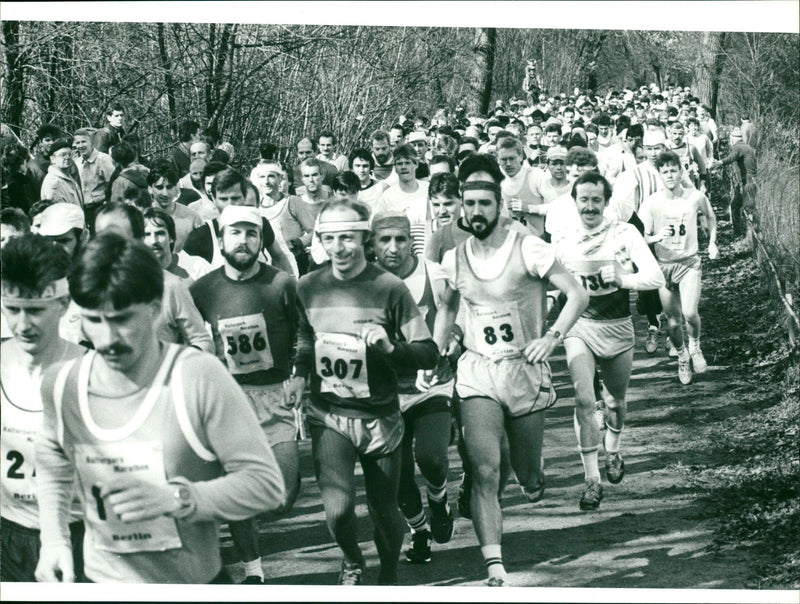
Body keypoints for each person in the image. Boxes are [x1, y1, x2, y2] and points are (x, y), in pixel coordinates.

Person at [34, 232, 286, 583]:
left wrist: (177, 497)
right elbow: (51, 466)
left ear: (154, 309)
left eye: (122, 319)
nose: (107, 339)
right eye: (94, 319)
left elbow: (265, 485)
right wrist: (55, 540)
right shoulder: (62, 384)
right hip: (101, 581)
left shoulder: (197, 377)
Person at [430, 154, 588, 586]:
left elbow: (576, 294)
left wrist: (552, 337)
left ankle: (532, 478)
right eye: (470, 204)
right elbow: (446, 308)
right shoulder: (454, 257)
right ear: (461, 209)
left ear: (499, 206)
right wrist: (438, 350)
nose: (476, 212)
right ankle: (494, 567)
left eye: (485, 203)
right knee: (485, 470)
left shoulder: (527, 246)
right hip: (478, 371)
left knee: (528, 475)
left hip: (524, 370)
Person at [284, 198, 438, 585]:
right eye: (331, 238)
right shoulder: (308, 286)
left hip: (380, 416)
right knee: (337, 510)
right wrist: (300, 374)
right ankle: (352, 560)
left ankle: (387, 577)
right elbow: (306, 337)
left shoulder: (389, 287)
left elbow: (427, 352)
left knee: (384, 510)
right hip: (329, 413)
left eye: (348, 238)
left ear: (364, 239)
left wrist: (390, 347)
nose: (340, 247)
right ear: (321, 240)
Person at [190, 205, 301, 584]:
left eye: (251, 234)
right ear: (221, 240)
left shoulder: (282, 283)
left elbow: (306, 332)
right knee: (240, 490)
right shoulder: (203, 289)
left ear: (261, 242)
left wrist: (299, 373)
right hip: (229, 399)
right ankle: (253, 572)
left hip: (276, 396)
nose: (244, 241)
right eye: (235, 233)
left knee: (281, 498)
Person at [555, 172, 664, 510]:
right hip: (581, 327)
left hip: (616, 327)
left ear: (605, 201)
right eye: (583, 200)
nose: (589, 207)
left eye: (596, 200)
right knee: (584, 399)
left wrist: (623, 278)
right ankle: (591, 480)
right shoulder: (564, 239)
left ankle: (613, 450)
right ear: (574, 202)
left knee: (615, 402)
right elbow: (547, 285)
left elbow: (655, 276)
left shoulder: (624, 233)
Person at [0, 234, 87, 581]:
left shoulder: (94, 374)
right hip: (8, 535)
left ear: (63, 304)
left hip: (80, 537)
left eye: (35, 310)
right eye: (12, 309)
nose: (23, 325)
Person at [371, 212, 455, 565]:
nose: (393, 247)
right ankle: (419, 531)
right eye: (384, 240)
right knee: (399, 475)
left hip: (431, 384)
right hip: (386, 392)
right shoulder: (362, 283)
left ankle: (439, 497)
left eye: (401, 239)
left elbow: (456, 313)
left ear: (412, 241)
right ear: (372, 244)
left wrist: (449, 341)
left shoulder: (433, 274)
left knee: (432, 457)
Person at [639, 151, 718, 385]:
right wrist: (654, 238)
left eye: (674, 170)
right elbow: (640, 236)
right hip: (664, 265)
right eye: (665, 172)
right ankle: (682, 357)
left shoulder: (694, 196)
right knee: (673, 320)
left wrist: (713, 242)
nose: (670, 175)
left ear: (681, 172)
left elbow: (711, 217)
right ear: (659, 175)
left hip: (689, 262)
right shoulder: (652, 202)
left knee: (690, 313)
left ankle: (695, 347)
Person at [182, 167, 294, 276]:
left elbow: (279, 256)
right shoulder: (201, 236)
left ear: (244, 197)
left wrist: (290, 285)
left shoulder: (260, 224)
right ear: (214, 200)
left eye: (235, 198)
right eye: (223, 199)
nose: (230, 204)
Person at [146, 159, 203, 252]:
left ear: (177, 187)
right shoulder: (142, 219)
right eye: (159, 187)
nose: (165, 193)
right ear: (150, 189)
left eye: (169, 187)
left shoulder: (192, 217)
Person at [73, 128, 116, 229]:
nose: (81, 146)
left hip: (100, 208)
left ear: (91, 143)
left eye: (84, 142)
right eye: (78, 143)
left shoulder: (103, 160)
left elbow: (113, 185)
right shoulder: (77, 162)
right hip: (83, 210)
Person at [40, 139, 84, 209]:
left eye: (70, 154)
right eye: (63, 155)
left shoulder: (67, 176)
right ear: (53, 159)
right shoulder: (53, 182)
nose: (67, 157)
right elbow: (58, 214)